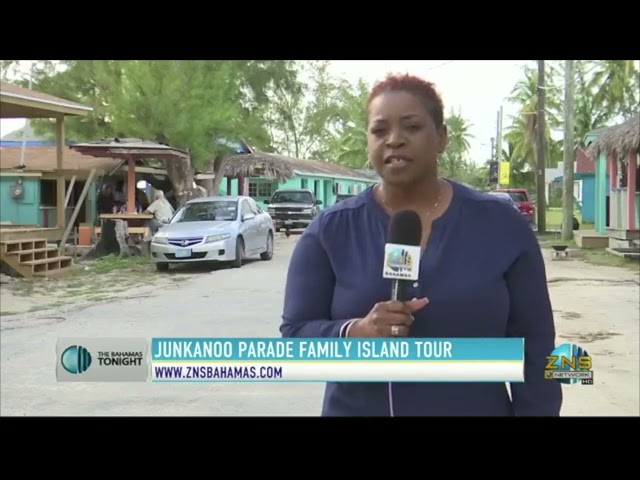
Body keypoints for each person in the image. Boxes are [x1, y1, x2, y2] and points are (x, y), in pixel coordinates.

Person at [279, 74, 562, 416]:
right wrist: (354, 332)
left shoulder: (502, 227)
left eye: (411, 127)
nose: (394, 140)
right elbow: (295, 337)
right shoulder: (330, 231)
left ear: (441, 138)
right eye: (380, 131)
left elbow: (536, 347)